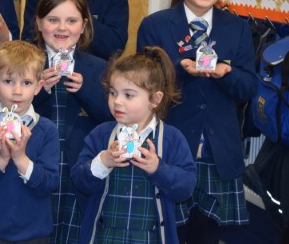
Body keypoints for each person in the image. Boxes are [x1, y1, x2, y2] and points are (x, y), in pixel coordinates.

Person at [137, 0, 258, 244]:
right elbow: (143, 84)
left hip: (218, 153)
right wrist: (179, 68)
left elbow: (248, 87)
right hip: (170, 147)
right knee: (166, 232)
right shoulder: (156, 25)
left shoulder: (237, 28)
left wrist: (225, 74)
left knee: (207, 236)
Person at [71, 47, 196, 244]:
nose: (117, 101)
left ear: (155, 99)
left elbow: (186, 188)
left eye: (128, 95)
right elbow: (80, 180)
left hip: (151, 237)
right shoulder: (102, 134)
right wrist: (103, 161)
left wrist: (158, 168)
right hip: (106, 236)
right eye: (113, 93)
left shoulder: (172, 138)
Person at [32, 0, 112, 243]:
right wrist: (38, 90)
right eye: (53, 20)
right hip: (36, 165)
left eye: (71, 20)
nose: (62, 28)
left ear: (84, 25)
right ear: (39, 22)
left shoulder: (100, 68)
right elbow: (5, 112)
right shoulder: (24, 62)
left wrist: (85, 91)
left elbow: (113, 120)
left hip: (79, 167)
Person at [0, 40, 60, 243]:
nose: (17, 91)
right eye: (8, 81)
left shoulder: (47, 130)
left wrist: (20, 158)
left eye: (26, 83)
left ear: (38, 86)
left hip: (34, 235)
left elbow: (49, 184)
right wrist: (1, 159)